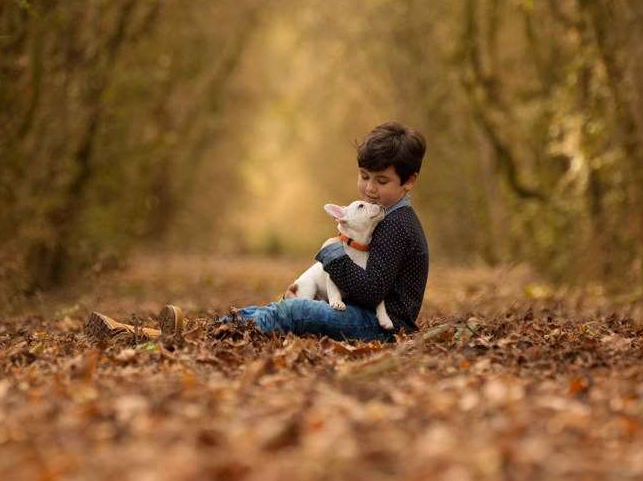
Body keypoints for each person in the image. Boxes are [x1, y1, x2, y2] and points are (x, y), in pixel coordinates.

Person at [85, 121, 429, 344]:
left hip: (382, 328)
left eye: (381, 181)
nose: (369, 189)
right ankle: (175, 334)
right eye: (364, 176)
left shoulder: (398, 224)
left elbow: (371, 291)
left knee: (293, 312)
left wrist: (332, 252)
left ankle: (191, 337)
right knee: (276, 308)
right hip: (367, 317)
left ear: (409, 181)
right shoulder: (384, 215)